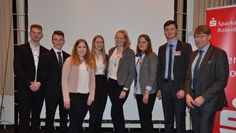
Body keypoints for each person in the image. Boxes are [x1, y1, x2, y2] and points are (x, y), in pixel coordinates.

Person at [185, 25, 229, 133]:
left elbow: (222, 80)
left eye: (202, 36)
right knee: (196, 130)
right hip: (193, 101)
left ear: (209, 36)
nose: (198, 39)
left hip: (208, 102)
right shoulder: (193, 55)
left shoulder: (219, 54)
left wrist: (203, 97)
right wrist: (187, 94)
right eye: (196, 37)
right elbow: (187, 77)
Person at [156, 20, 192, 133]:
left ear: (176, 31)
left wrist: (184, 89)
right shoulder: (161, 48)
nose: (169, 31)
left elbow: (189, 69)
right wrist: (159, 88)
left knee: (180, 120)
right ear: (164, 32)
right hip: (165, 87)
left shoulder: (185, 47)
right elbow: (159, 70)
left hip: (179, 88)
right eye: (167, 29)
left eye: (172, 29)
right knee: (168, 120)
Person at [14, 24, 49, 133]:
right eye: (34, 32)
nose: (36, 35)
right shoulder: (20, 49)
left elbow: (47, 72)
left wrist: (39, 83)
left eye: (38, 33)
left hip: (39, 91)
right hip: (24, 90)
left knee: (36, 119)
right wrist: (29, 84)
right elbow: (17, 69)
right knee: (24, 119)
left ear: (42, 35)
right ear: (30, 34)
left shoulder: (46, 52)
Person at [62, 39, 95, 133]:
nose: (82, 49)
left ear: (87, 49)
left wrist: (91, 96)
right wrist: (66, 98)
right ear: (76, 48)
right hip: (73, 95)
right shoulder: (69, 60)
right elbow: (64, 80)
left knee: (79, 122)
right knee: (74, 123)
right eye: (79, 47)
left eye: (84, 47)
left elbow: (93, 80)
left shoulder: (90, 61)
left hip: (86, 96)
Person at [107, 29, 135, 133]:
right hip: (111, 84)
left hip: (121, 85)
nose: (118, 39)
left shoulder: (129, 52)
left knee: (115, 110)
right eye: (117, 37)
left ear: (125, 40)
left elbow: (132, 73)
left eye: (121, 38)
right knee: (118, 110)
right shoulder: (111, 51)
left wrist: (125, 89)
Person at [45, 30, 70, 133]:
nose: (58, 42)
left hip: (65, 93)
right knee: (50, 117)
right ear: (52, 41)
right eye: (55, 39)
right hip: (51, 93)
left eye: (60, 40)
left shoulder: (68, 57)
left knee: (64, 117)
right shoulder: (45, 56)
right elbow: (44, 76)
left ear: (64, 41)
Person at [134, 34, 158, 133]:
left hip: (148, 92)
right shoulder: (139, 56)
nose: (141, 44)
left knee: (146, 119)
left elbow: (153, 75)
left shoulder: (152, 56)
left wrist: (147, 92)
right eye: (139, 42)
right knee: (143, 119)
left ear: (148, 43)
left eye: (144, 42)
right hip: (139, 91)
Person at [89, 35, 108, 133]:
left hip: (103, 85)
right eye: (97, 42)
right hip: (92, 84)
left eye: (101, 42)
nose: (99, 44)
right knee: (93, 113)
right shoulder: (88, 56)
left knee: (100, 113)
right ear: (94, 43)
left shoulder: (106, 56)